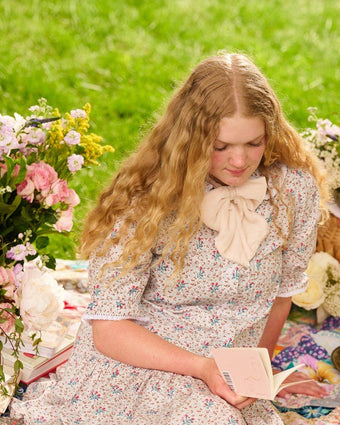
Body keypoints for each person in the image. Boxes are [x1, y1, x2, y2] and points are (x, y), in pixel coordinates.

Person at [11, 52, 329, 424]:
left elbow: (281, 296)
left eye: (253, 144)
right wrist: (202, 368)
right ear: (190, 138)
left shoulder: (292, 191)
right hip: (144, 360)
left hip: (224, 369)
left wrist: (257, 375)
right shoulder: (147, 198)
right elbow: (110, 329)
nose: (240, 161)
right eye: (220, 146)